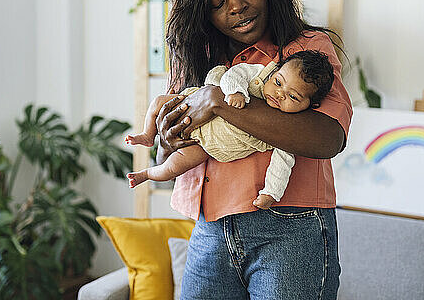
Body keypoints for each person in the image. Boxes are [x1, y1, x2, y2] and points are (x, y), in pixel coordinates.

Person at [151, 0, 353, 300]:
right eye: (217, 2)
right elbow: (167, 157)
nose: (236, 5)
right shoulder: (195, 58)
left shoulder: (306, 51)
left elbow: (329, 137)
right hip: (209, 233)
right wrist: (165, 140)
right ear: (202, 12)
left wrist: (219, 101)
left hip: (291, 233)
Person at [126, 50, 335, 210]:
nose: (279, 93)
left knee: (173, 167)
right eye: (278, 82)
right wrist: (235, 92)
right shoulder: (260, 76)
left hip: (205, 145)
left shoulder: (285, 132)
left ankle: (146, 174)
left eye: (293, 97)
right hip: (191, 105)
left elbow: (282, 165)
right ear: (275, 72)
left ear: (310, 106)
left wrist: (271, 193)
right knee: (158, 103)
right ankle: (146, 134)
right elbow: (235, 73)